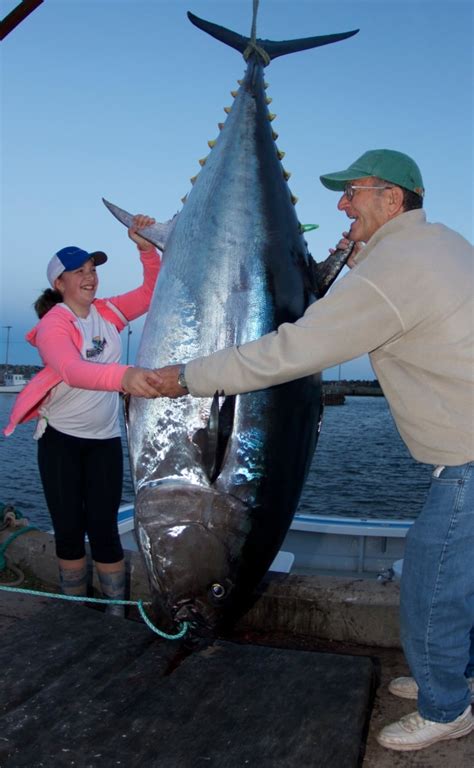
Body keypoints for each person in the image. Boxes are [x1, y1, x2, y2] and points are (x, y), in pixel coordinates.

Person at [150, 149, 474, 752]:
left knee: (433, 583)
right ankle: (456, 677)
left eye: (353, 193)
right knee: (464, 580)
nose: (342, 205)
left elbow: (292, 351)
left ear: (392, 199)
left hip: (469, 457)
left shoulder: (395, 267)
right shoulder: (441, 243)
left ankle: (446, 705)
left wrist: (185, 377)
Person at [4, 215, 162, 616]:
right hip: (61, 442)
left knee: (106, 529)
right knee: (70, 530)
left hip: (104, 441)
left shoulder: (107, 313)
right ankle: (74, 612)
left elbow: (151, 293)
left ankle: (114, 614)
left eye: (92, 270)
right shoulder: (54, 324)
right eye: (79, 272)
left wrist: (146, 249)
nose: (90, 277)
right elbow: (73, 370)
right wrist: (125, 376)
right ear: (60, 283)